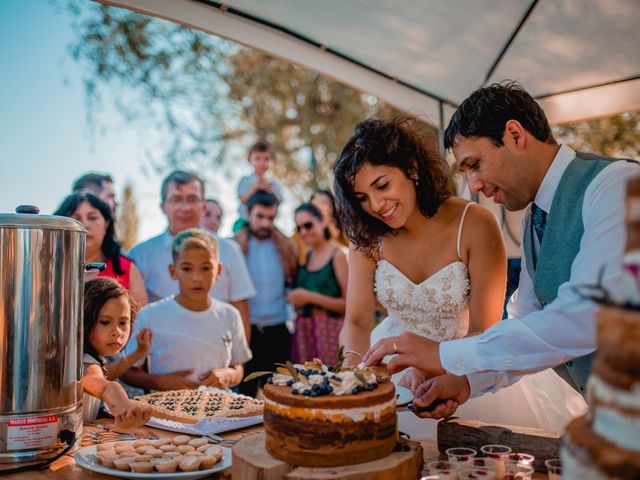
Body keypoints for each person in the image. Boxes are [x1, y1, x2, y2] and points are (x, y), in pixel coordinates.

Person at [363, 82, 638, 422]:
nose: (474, 185)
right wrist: (465, 382)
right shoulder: (533, 217)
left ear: (514, 134)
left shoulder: (617, 187)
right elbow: (528, 321)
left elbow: (583, 319)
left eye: (475, 164)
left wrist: (443, 353)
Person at [335, 116, 587, 433]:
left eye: (382, 185)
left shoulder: (475, 223)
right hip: (392, 368)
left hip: (468, 365)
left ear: (411, 168)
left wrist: (439, 365)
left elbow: (486, 329)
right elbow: (356, 321)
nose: (376, 205)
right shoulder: (366, 236)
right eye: (361, 198)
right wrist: (353, 376)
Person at [123, 229, 252, 391]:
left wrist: (228, 375)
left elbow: (238, 367)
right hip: (165, 413)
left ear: (218, 271)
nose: (196, 277)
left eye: (206, 268)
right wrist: (157, 382)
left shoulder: (230, 315)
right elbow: (126, 371)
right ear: (173, 271)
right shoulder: (150, 316)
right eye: (187, 268)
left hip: (217, 412)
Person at [129, 171, 255, 335]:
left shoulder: (229, 251)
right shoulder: (140, 255)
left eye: (192, 199)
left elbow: (241, 309)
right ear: (163, 206)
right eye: (176, 199)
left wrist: (240, 360)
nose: (185, 207)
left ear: (203, 206)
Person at [235, 190, 298, 397]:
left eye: (270, 218)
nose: (265, 223)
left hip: (278, 329)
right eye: (260, 216)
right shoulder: (236, 246)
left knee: (281, 392)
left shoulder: (286, 247)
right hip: (247, 330)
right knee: (246, 394)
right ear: (248, 214)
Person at [54, 191, 148, 306]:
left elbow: (141, 321)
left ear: (106, 224)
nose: (85, 225)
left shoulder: (127, 269)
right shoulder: (48, 269)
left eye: (92, 218)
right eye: (76, 219)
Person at [82, 277, 152, 428]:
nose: (117, 332)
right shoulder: (83, 361)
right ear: (84, 320)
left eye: (123, 322)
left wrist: (138, 353)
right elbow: (94, 379)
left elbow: (106, 373)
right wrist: (115, 393)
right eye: (105, 322)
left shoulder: (94, 357)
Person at [289, 203, 348, 364]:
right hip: (304, 334)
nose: (303, 232)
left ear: (322, 221)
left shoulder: (339, 255)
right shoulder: (306, 256)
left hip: (330, 334)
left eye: (308, 225)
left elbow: (349, 305)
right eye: (299, 228)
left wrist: (309, 297)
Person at [234, 141, 284, 233]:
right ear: (250, 160)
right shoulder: (245, 180)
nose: (262, 162)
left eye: (266, 159)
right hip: (245, 220)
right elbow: (242, 199)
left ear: (273, 162)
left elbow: (279, 201)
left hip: (267, 221)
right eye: (257, 159)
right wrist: (255, 188)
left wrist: (271, 192)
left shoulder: (274, 183)